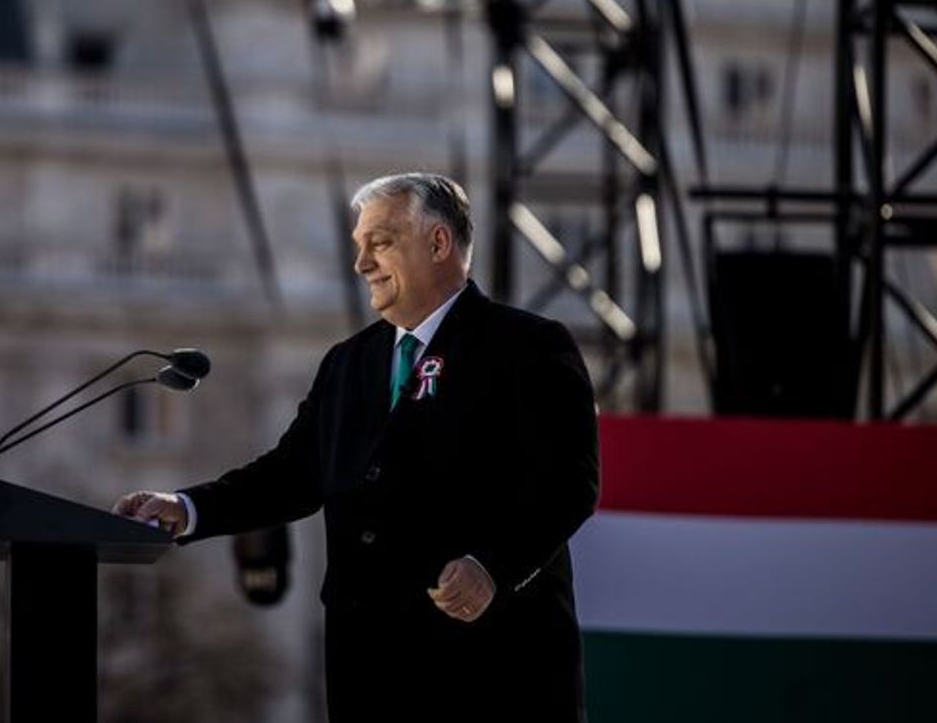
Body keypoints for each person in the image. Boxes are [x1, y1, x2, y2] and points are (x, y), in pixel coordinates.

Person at [114, 172, 599, 721]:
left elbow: (569, 482)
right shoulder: (349, 362)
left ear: (438, 244)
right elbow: (291, 474)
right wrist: (187, 508)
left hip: (494, 673)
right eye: (358, 246)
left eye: (380, 243)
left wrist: (492, 567)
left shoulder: (528, 346)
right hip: (370, 677)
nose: (361, 264)